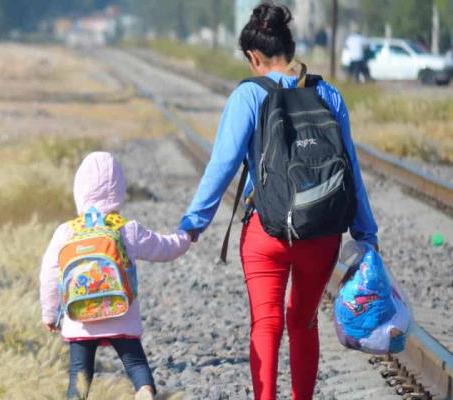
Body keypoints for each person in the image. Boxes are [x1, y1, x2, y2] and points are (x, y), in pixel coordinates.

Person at [178, 4, 379, 399]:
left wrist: (194, 222)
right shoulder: (327, 93)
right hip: (321, 233)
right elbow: (350, 169)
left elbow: (222, 166)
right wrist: (365, 233)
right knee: (302, 322)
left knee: (266, 323)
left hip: (266, 232)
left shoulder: (249, 95)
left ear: (254, 57)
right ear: (290, 47)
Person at [39, 152, 191, 400]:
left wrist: (49, 313)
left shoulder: (66, 231)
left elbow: (49, 274)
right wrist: (186, 236)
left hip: (80, 318)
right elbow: (164, 248)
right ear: (119, 190)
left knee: (79, 372)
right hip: (121, 313)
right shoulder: (125, 228)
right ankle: (143, 391)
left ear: (79, 190)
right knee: (135, 364)